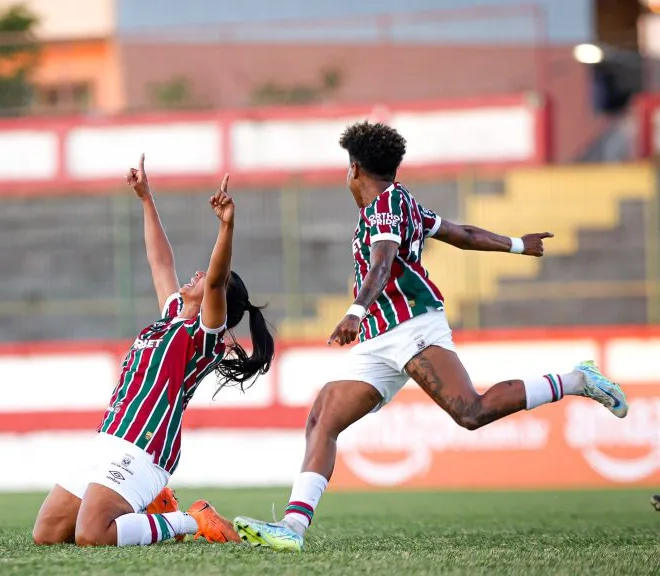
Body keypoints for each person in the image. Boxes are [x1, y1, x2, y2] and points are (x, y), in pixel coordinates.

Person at [233, 121, 629, 551]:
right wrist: (516, 244)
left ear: (354, 169)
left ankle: (578, 380)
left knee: (470, 412)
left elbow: (382, 263)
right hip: (379, 338)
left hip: (411, 327)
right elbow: (460, 234)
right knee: (323, 418)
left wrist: (353, 311)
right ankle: (292, 529)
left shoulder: (385, 206)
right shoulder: (400, 202)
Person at [32, 155, 275, 547]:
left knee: (92, 535)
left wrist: (226, 226)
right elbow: (160, 262)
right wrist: (146, 199)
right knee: (47, 535)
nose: (195, 274)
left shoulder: (203, 334)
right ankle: (154, 509)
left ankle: (188, 520)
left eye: (206, 275)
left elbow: (214, 281)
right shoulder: (174, 315)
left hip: (145, 446)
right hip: (109, 437)